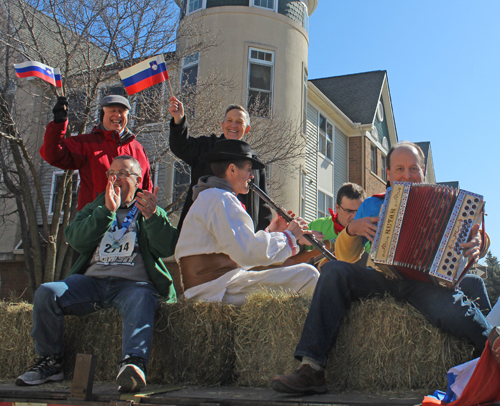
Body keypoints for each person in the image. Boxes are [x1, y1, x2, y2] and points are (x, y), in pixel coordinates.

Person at [271, 141, 493, 395]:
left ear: (423, 172)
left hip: (424, 283)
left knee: (458, 302)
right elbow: (344, 256)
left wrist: (480, 242)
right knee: (334, 272)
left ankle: (489, 356)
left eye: (413, 168)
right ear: (388, 174)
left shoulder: (447, 203)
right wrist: (351, 230)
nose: (406, 175)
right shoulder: (372, 205)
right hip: (381, 278)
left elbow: (476, 234)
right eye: (399, 169)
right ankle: (311, 368)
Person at [16, 156, 178, 392]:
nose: (115, 178)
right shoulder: (96, 207)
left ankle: (133, 364)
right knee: (47, 292)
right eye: (111, 173)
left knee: (144, 297)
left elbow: (168, 247)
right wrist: (106, 213)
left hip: (133, 285)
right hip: (91, 283)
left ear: (138, 179)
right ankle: (51, 362)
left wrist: (152, 218)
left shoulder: (149, 209)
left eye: (122, 173)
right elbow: (75, 239)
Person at [174, 139, 319, 306]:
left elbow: (238, 246)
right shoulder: (220, 198)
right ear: (232, 169)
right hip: (216, 291)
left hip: (219, 287)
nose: (252, 176)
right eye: (249, 170)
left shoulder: (212, 197)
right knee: (308, 275)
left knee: (306, 274)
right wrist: (289, 236)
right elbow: (248, 253)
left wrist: (273, 231)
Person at [168, 96, 272, 231]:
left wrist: (262, 236)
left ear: (247, 129)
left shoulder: (255, 164)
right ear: (222, 125)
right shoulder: (206, 148)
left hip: (242, 235)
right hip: (204, 231)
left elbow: (263, 206)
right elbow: (181, 146)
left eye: (239, 122)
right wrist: (178, 119)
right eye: (229, 120)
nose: (233, 125)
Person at [40, 95, 152, 210]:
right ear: (103, 115)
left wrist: (147, 216)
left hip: (131, 221)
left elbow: (147, 185)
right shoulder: (86, 143)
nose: (117, 115)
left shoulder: (138, 148)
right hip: (95, 219)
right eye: (112, 110)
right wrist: (59, 123)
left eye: (121, 111)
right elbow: (53, 155)